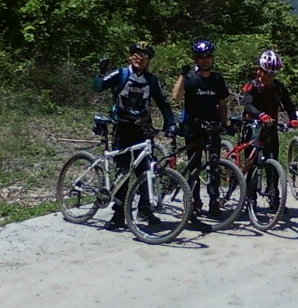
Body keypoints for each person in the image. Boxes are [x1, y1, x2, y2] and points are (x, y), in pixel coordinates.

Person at [93, 41, 177, 229]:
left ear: (149, 60)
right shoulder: (121, 73)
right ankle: (119, 214)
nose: (140, 58)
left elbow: (162, 103)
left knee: (145, 171)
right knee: (122, 172)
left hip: (143, 129)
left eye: (145, 56)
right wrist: (101, 72)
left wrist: (170, 123)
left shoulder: (151, 80)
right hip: (122, 128)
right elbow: (98, 87)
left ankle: (145, 209)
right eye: (137, 55)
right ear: (130, 56)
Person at [171, 38, 230, 217]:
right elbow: (175, 97)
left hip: (212, 127)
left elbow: (222, 104)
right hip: (193, 128)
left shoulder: (217, 79)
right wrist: (182, 76)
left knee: (214, 166)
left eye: (208, 56)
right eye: (201, 57)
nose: (205, 60)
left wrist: (225, 125)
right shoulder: (190, 78)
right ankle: (194, 201)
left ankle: (214, 202)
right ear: (195, 59)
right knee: (194, 167)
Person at [239, 49, 298, 164]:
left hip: (271, 127)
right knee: (251, 164)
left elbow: (289, 105)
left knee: (272, 165)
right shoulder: (252, 86)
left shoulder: (279, 87)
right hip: (253, 127)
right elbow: (247, 105)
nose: (270, 77)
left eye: (274, 74)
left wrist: (293, 118)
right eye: (267, 73)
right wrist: (261, 115)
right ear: (259, 71)